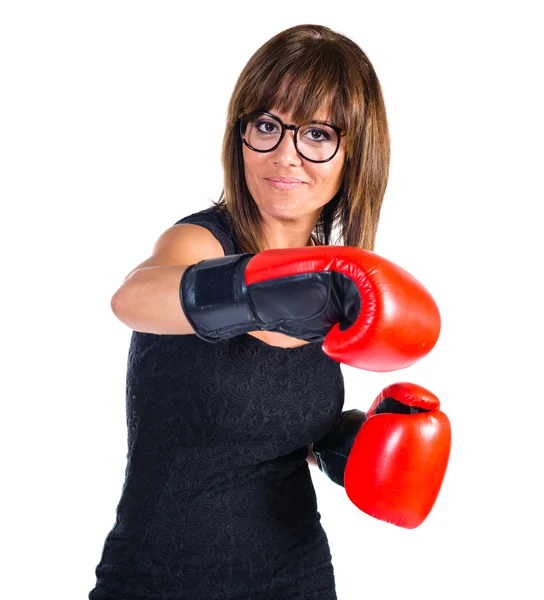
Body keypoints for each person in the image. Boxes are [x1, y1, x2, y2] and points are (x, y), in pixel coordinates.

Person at [88, 24, 450, 600]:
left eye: (316, 134)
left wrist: (344, 444)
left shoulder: (339, 284)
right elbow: (133, 298)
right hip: (162, 581)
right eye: (267, 126)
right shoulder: (202, 244)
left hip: (298, 578)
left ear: (351, 153)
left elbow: (257, 424)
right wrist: (272, 292)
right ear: (241, 136)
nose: (286, 154)